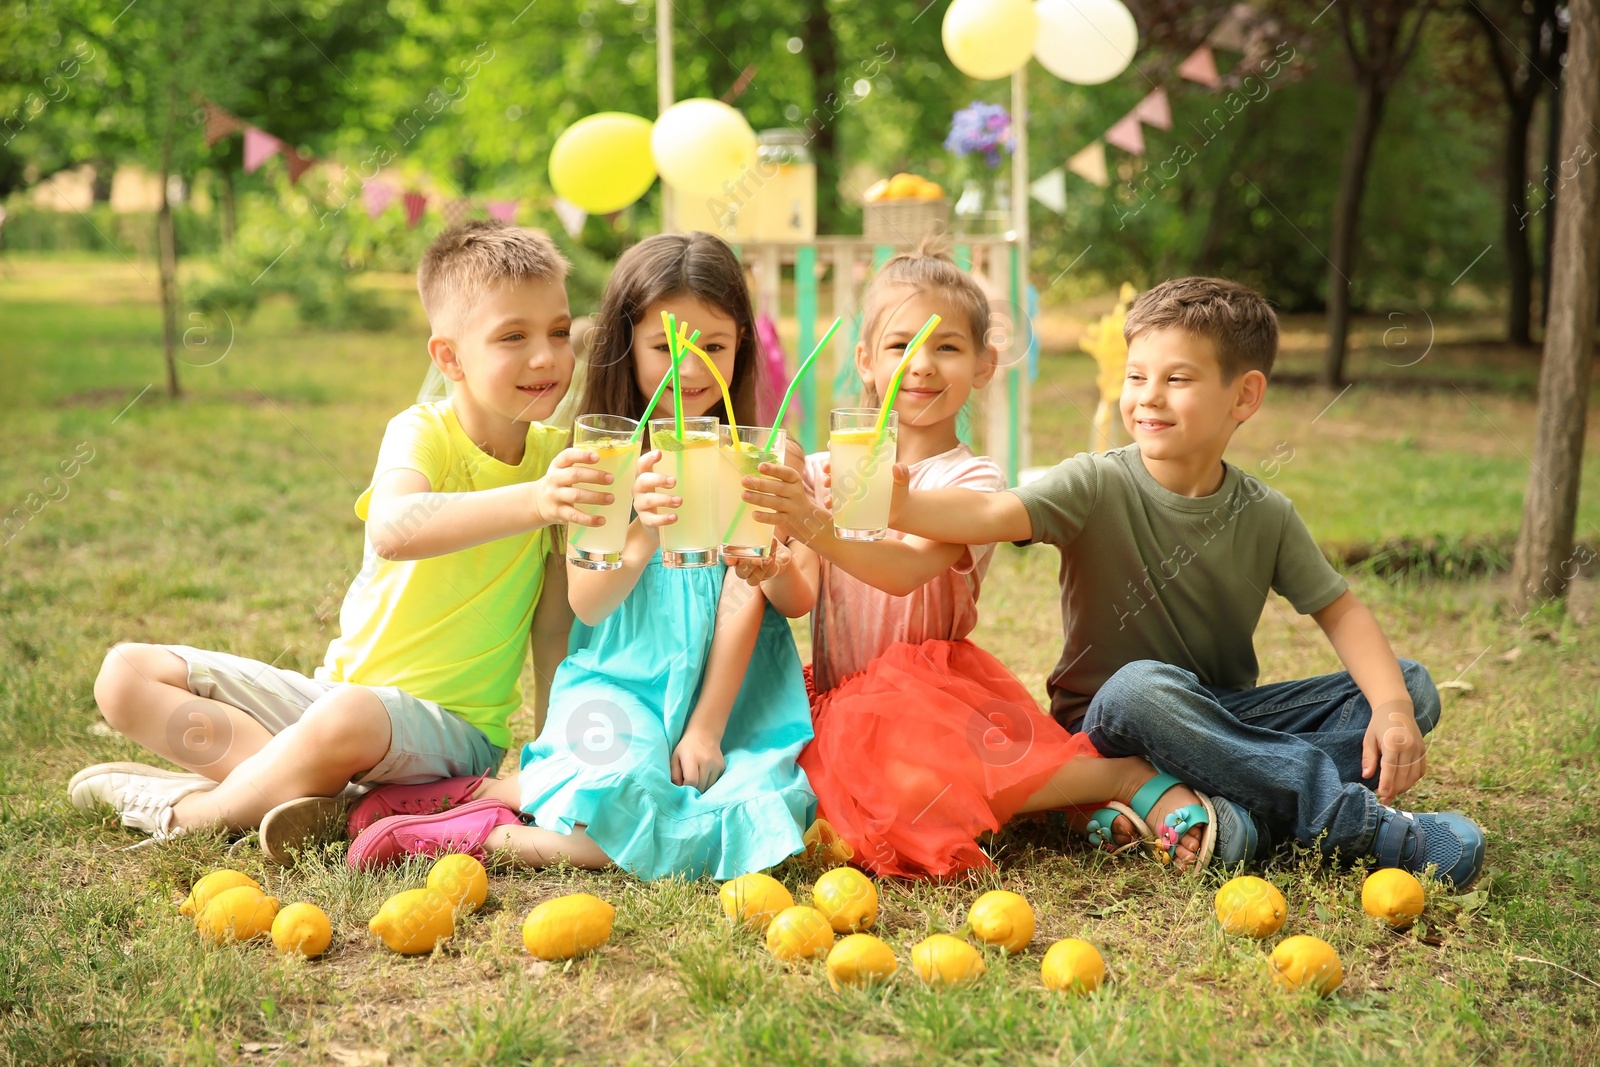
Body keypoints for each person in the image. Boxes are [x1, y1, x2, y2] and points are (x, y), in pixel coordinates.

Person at [888, 275, 1485, 887]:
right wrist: (899, 506)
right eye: (1135, 376)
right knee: (1140, 687)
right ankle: (1352, 822)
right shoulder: (1094, 484)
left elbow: (1342, 612)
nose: (1148, 397)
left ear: (1244, 396)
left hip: (1219, 719)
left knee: (1409, 686)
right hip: (1112, 724)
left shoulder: (1266, 513)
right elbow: (989, 515)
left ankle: (1230, 808)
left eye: (1175, 379)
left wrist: (1389, 710)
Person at [70, 221, 597, 863]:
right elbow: (395, 528)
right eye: (513, 336)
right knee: (124, 675)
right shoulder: (423, 433)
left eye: (559, 332)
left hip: (451, 735)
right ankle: (317, 793)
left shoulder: (563, 460)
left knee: (345, 718)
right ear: (450, 358)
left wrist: (546, 756)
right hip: (338, 701)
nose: (546, 357)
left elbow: (555, 626)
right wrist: (534, 499)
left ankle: (192, 812)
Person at [736, 245, 1235, 877]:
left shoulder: (972, 479)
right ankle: (1069, 804)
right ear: (864, 362)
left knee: (914, 782)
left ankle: (1122, 775)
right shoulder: (820, 473)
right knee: (826, 800)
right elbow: (800, 593)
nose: (920, 365)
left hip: (929, 695)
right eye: (898, 346)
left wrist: (812, 521)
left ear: (983, 364)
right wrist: (773, 550)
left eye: (946, 346)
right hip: (841, 694)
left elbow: (907, 569)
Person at [345, 231, 819, 881]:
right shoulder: (604, 462)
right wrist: (646, 528)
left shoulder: (758, 456)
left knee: (752, 817)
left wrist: (709, 720)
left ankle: (483, 808)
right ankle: (478, 819)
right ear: (629, 347)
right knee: (617, 809)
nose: (691, 369)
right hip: (621, 683)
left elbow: (793, 598)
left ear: (740, 346)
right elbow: (587, 599)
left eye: (713, 347)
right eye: (667, 349)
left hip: (735, 698)